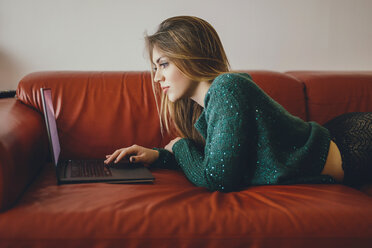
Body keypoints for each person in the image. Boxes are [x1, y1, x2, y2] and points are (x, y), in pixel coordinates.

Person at [104, 16, 372, 192]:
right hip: (340, 140)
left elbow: (218, 179)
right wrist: (159, 155)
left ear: (191, 56)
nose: (156, 77)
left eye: (163, 64)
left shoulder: (227, 88)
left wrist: (180, 146)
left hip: (356, 147)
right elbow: (214, 162)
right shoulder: (206, 108)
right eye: (154, 67)